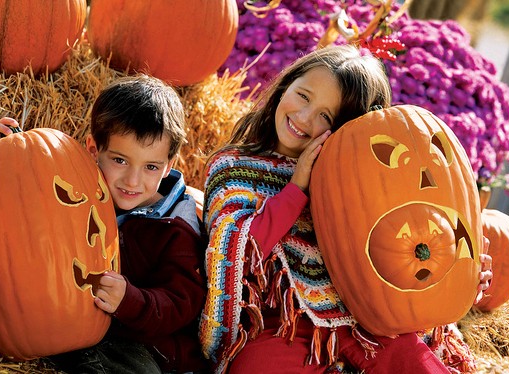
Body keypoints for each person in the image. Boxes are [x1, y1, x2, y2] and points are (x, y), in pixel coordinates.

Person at [197, 44, 493, 374]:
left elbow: (400, 253)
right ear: (286, 85)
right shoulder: (234, 168)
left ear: (344, 131)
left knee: (415, 363)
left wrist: (458, 273)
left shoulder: (361, 185)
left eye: (326, 116)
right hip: (286, 328)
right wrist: (295, 190)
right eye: (303, 95)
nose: (305, 117)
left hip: (367, 325)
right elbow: (235, 252)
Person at [0, 74, 210, 374]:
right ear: (93, 149)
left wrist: (131, 301)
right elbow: (9, 198)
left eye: (150, 167)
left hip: (140, 340)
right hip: (68, 324)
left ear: (169, 165)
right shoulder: (75, 186)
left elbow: (182, 303)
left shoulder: (174, 226)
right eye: (119, 160)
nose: (132, 180)